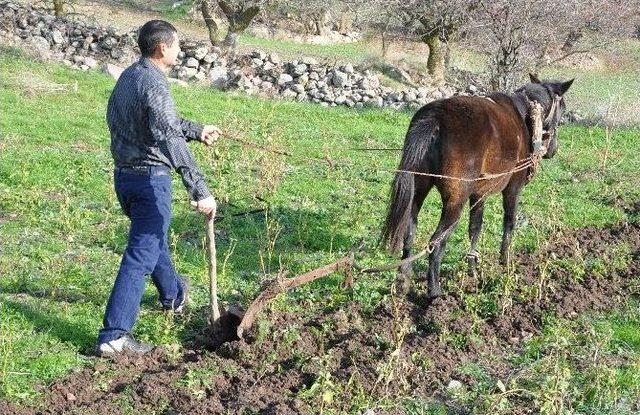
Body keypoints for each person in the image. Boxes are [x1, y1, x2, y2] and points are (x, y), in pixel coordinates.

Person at [97, 20, 219, 355]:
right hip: (151, 180)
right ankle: (114, 336)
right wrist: (200, 189)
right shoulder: (155, 84)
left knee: (153, 239)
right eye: (177, 45)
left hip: (125, 180)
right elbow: (167, 134)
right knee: (141, 253)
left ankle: (173, 296)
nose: (180, 51)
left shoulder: (129, 77)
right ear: (162, 48)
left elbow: (158, 122)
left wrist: (196, 129)